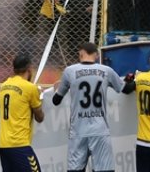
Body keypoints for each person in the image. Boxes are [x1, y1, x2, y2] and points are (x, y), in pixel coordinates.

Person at [51, 42, 133, 172]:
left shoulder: (69, 71)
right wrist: (134, 80)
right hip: (99, 130)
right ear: (96, 55)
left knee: (75, 170)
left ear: (81, 53)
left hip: (78, 131)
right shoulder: (106, 71)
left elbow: (56, 100)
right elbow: (127, 89)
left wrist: (57, 90)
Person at [0, 55, 44, 172]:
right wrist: (39, 97)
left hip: (3, 145)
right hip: (19, 144)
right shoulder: (30, 88)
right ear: (29, 68)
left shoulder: (4, 86)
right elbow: (40, 117)